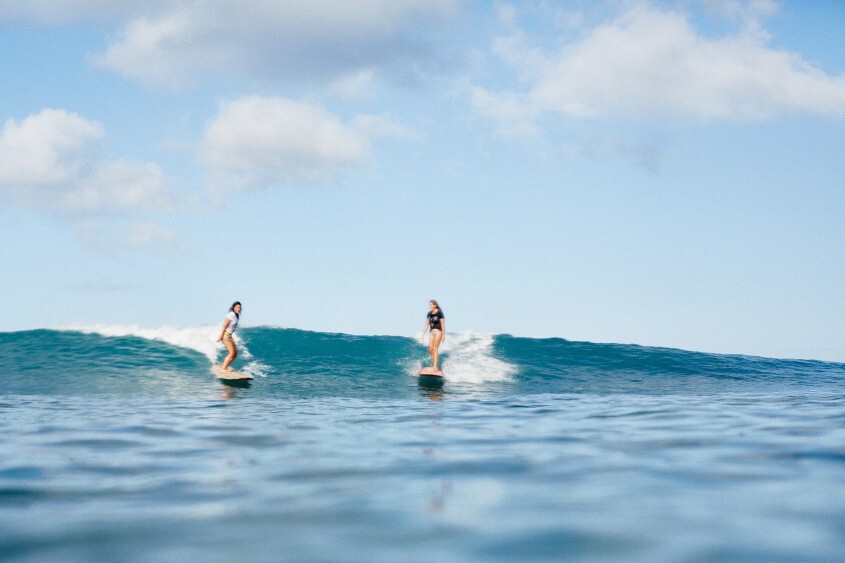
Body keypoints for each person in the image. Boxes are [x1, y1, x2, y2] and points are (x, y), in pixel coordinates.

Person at [217, 301, 242, 372]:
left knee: (235, 353)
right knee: (231, 353)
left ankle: (225, 366)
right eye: (237, 307)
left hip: (229, 335)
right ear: (233, 307)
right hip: (226, 335)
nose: (238, 309)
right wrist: (221, 336)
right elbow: (225, 326)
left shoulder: (236, 316)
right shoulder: (231, 314)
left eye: (239, 308)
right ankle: (223, 369)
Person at [421, 300, 445, 371]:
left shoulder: (439, 312)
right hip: (431, 332)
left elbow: (443, 324)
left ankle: (435, 366)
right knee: (430, 349)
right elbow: (427, 324)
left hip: (438, 331)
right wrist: (423, 334)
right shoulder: (429, 313)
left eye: (431, 305)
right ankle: (434, 362)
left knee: (435, 348)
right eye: (429, 305)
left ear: (435, 305)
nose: (430, 306)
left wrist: (443, 335)